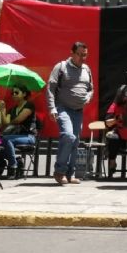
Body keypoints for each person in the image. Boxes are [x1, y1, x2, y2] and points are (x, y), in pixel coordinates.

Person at [47, 42, 94, 185]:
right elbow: (50, 88)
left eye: (84, 55)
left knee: (75, 142)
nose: (82, 57)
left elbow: (91, 88)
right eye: (79, 54)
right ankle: (59, 171)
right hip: (63, 108)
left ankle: (70, 174)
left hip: (78, 111)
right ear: (72, 53)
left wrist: (88, 97)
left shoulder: (87, 69)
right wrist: (52, 108)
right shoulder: (61, 67)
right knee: (68, 136)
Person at [0, 85, 36, 179]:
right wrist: (2, 111)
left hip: (28, 136)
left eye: (16, 92)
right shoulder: (12, 109)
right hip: (15, 136)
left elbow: (18, 120)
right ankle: (17, 160)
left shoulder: (29, 105)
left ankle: (12, 166)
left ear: (24, 94)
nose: (13, 95)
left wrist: (10, 122)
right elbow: (6, 123)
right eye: (12, 93)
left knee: (6, 139)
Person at [105, 85, 127, 178]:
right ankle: (112, 161)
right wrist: (116, 119)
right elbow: (107, 123)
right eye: (124, 95)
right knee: (112, 137)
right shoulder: (115, 106)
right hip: (120, 134)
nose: (126, 98)